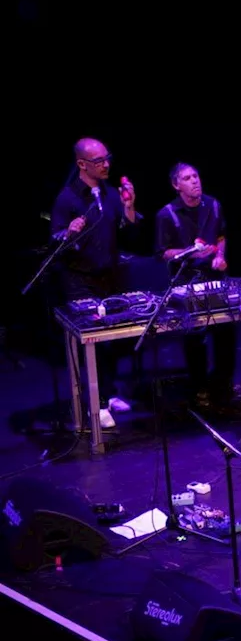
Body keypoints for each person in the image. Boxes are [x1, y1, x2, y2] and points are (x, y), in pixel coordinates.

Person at [49, 137, 143, 428]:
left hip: (110, 276)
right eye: (99, 161)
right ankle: (96, 404)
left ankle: (110, 392)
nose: (106, 165)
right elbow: (55, 240)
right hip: (81, 280)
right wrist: (68, 231)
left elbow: (126, 229)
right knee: (91, 343)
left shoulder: (108, 193)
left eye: (107, 158)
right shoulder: (68, 198)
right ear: (82, 164)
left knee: (113, 340)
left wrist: (129, 207)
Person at [155, 162, 239, 407]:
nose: (195, 181)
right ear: (176, 185)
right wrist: (190, 253)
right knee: (195, 337)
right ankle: (199, 387)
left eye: (196, 176)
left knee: (226, 332)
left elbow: (221, 236)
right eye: (188, 178)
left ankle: (223, 384)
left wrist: (221, 256)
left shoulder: (213, 205)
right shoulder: (166, 214)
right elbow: (163, 252)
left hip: (215, 280)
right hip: (186, 282)